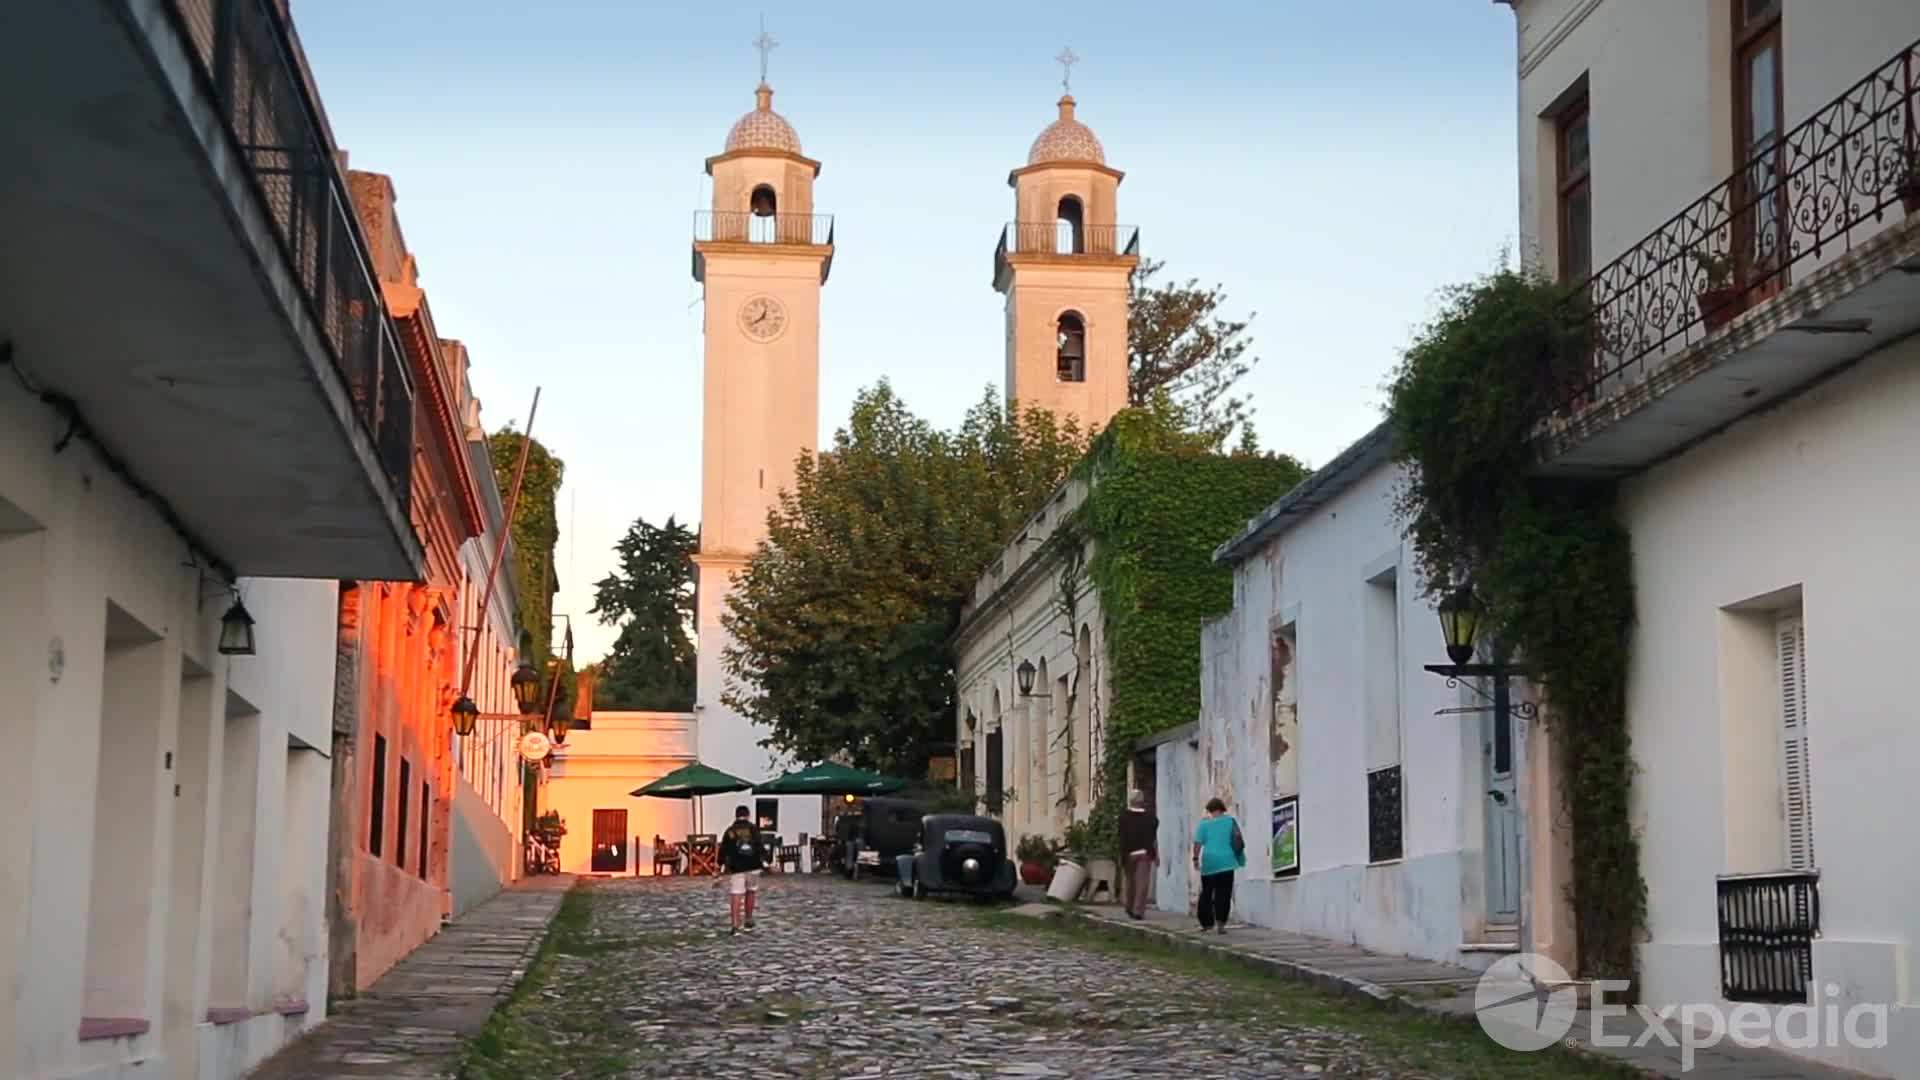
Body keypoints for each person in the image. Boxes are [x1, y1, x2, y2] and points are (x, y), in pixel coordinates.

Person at [1190, 796, 1244, 933]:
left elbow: (1197, 843)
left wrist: (1195, 859)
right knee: (1224, 894)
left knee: (1206, 893)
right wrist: (1240, 857)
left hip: (1210, 862)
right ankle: (1221, 925)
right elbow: (1238, 840)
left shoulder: (1204, 824)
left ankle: (1206, 924)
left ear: (1209, 810)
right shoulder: (1230, 821)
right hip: (1227, 862)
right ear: (1222, 809)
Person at [719, 805, 766, 935]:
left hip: (737, 866)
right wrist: (766, 861)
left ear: (736, 815)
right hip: (753, 865)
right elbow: (759, 846)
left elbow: (723, 850)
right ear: (748, 815)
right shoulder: (753, 829)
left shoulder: (730, 831)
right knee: (751, 891)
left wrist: (718, 865)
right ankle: (748, 920)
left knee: (736, 894)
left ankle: (735, 925)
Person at [1118, 789, 1158, 920]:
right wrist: (1156, 854)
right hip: (1144, 852)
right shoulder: (1151, 818)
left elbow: (1121, 837)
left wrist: (1121, 853)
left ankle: (1129, 907)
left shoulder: (1123, 817)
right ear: (1142, 801)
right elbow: (1153, 838)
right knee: (1142, 883)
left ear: (1130, 801)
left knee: (1130, 881)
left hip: (1129, 853)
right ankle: (1138, 911)